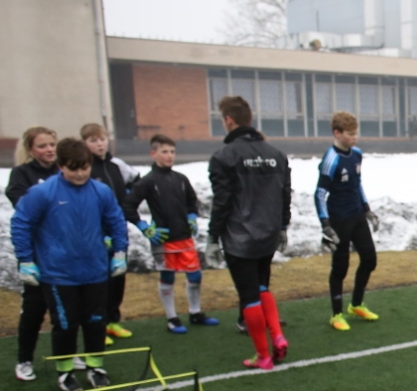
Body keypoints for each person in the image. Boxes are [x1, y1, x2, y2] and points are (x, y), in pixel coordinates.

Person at [10, 138, 128, 391]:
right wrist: (26, 260)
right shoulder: (43, 192)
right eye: (73, 168)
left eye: (84, 167)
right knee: (65, 324)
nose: (80, 173)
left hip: (96, 270)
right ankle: (65, 372)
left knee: (96, 321)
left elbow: (116, 220)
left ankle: (96, 367)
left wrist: (119, 251)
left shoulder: (101, 191)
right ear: (61, 166)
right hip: (59, 274)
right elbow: (21, 223)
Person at [206, 96, 291, 370]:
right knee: (263, 286)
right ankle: (277, 337)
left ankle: (263, 356)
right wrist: (282, 226)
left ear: (229, 120)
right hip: (267, 235)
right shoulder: (276, 154)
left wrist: (212, 237)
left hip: (239, 238)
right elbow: (284, 195)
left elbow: (222, 201)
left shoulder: (223, 156)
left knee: (249, 294)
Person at [123, 134, 218, 333]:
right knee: (168, 277)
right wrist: (144, 228)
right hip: (163, 240)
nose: (169, 156)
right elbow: (128, 206)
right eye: (164, 152)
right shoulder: (147, 181)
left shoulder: (181, 179)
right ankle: (172, 318)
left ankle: (195, 312)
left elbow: (192, 202)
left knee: (195, 275)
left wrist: (191, 217)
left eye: (172, 152)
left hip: (184, 237)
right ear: (153, 153)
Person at [315, 111, 381, 331]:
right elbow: (320, 194)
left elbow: (357, 183)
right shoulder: (330, 160)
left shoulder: (357, 154)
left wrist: (367, 210)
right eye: (350, 134)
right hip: (339, 219)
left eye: (356, 134)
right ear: (337, 133)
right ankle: (336, 314)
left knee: (370, 259)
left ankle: (356, 304)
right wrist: (326, 225)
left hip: (357, 216)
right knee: (340, 267)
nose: (355, 138)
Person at [6, 126, 60, 382]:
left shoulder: (65, 170)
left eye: (52, 144)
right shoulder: (22, 174)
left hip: (65, 252)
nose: (49, 150)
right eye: (42, 146)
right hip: (38, 253)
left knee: (68, 308)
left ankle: (67, 355)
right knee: (34, 309)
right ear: (30, 150)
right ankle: (24, 359)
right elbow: (23, 207)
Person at [82, 122, 140, 341]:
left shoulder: (116, 165)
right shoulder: (86, 167)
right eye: (93, 140)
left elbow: (137, 182)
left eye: (102, 139)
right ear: (85, 144)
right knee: (99, 282)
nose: (99, 144)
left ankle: (113, 321)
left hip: (118, 231)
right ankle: (97, 325)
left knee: (118, 279)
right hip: (95, 234)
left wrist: (128, 199)